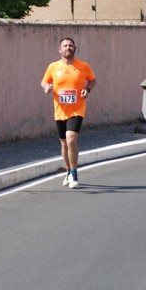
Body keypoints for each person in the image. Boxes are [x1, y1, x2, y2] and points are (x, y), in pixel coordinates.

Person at [41, 37, 96, 189]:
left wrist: (87, 89)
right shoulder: (53, 66)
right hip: (59, 110)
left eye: (70, 45)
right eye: (65, 46)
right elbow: (44, 81)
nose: (68, 48)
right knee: (64, 144)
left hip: (77, 109)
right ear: (60, 50)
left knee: (71, 139)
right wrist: (46, 87)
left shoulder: (83, 66)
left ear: (75, 48)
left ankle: (74, 172)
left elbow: (92, 80)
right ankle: (68, 170)